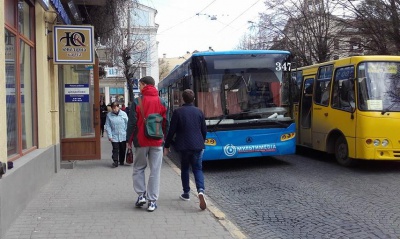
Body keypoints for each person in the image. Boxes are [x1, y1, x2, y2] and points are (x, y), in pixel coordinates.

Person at [126, 76, 169, 212]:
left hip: (141, 140)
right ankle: (152, 201)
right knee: (155, 171)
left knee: (139, 168)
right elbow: (165, 123)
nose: (139, 87)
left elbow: (132, 123)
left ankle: (141, 195)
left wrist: (129, 141)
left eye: (140, 85)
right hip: (157, 141)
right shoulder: (162, 102)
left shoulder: (137, 102)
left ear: (144, 84)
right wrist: (166, 143)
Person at [164, 89, 208, 210]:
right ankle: (200, 190)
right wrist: (201, 141)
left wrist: (166, 146)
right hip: (198, 145)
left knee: (184, 169)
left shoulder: (178, 112)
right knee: (198, 169)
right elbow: (204, 130)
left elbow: (171, 131)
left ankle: (186, 193)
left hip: (184, 146)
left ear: (183, 99)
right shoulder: (199, 111)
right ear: (193, 99)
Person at [105, 102, 128, 167]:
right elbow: (108, 126)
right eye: (113, 108)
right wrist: (110, 136)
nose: (114, 109)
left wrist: (126, 133)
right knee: (115, 148)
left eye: (115, 108)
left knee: (122, 149)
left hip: (123, 134)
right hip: (114, 135)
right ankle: (115, 161)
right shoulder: (109, 115)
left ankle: (121, 160)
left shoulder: (123, 114)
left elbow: (127, 123)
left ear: (118, 107)